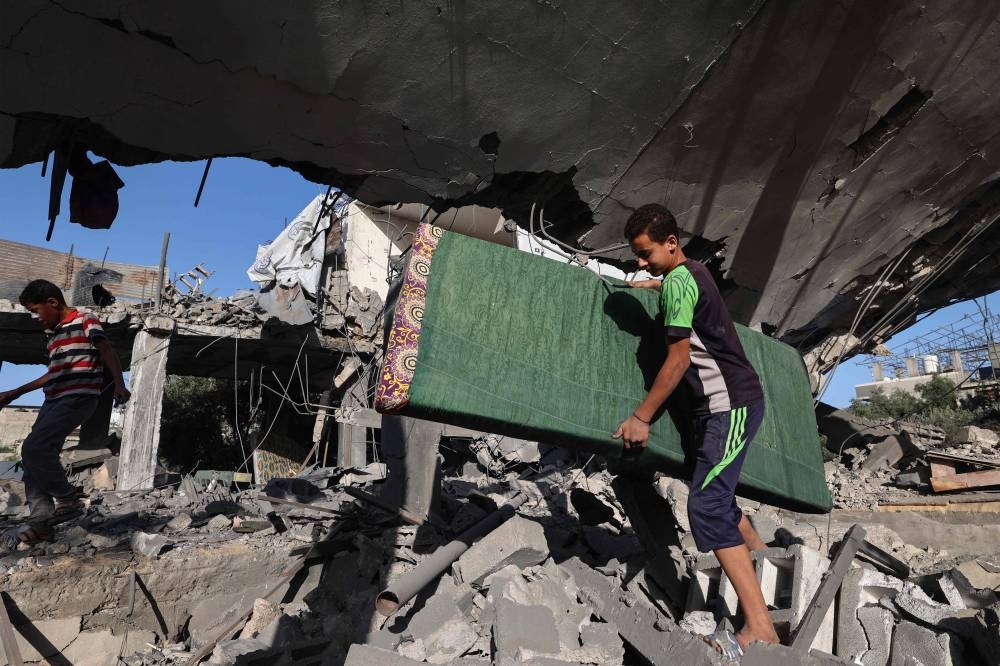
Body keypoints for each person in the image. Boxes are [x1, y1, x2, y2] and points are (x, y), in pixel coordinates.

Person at [612, 204, 778, 656]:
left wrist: (642, 417)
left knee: (705, 506)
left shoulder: (680, 282)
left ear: (671, 243)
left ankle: (760, 626)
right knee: (717, 495)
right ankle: (763, 561)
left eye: (646, 255)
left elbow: (679, 359)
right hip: (719, 408)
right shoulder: (692, 273)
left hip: (729, 406)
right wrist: (657, 282)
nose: (640, 263)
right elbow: (681, 286)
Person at [0, 279, 130, 545]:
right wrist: (17, 392)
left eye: (36, 311)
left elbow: (105, 349)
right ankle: (41, 523)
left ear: (52, 303)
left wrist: (119, 384)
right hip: (54, 400)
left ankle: (68, 498)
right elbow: (53, 374)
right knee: (34, 457)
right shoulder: (54, 335)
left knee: (34, 448)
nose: (36, 318)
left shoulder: (85, 318)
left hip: (77, 396)